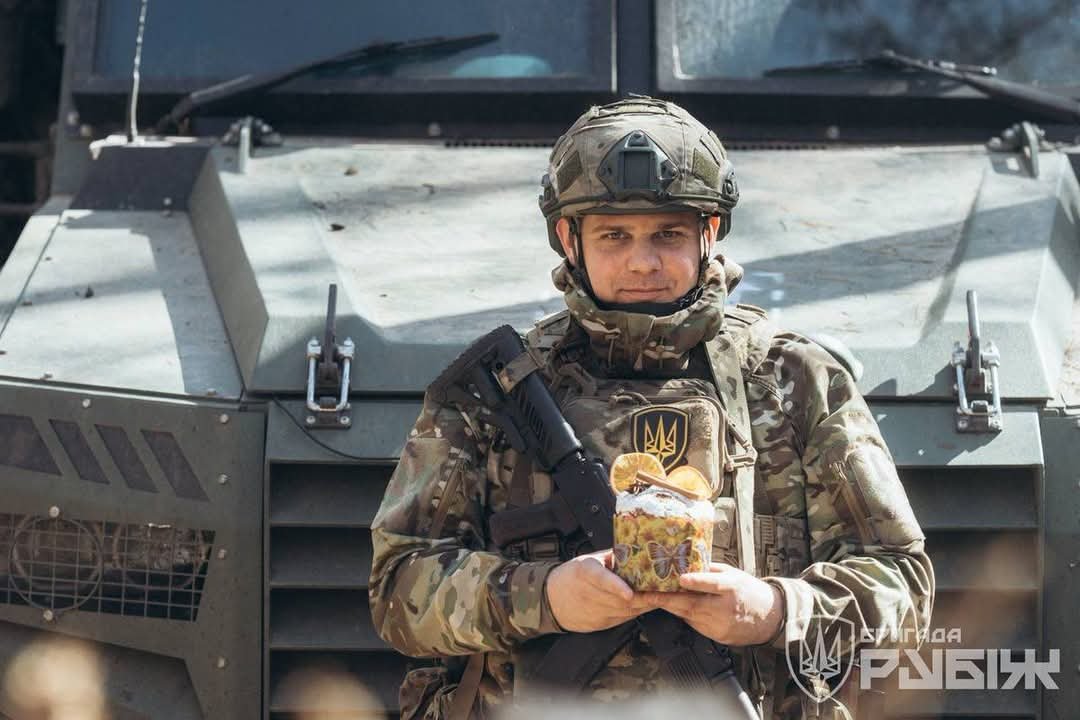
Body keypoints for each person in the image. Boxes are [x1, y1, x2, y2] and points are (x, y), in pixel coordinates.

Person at [369, 97, 934, 719]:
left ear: (708, 232)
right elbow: (398, 590)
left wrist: (774, 610)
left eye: (668, 233)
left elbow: (904, 586)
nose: (643, 261)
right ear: (569, 239)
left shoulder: (793, 379)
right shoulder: (501, 392)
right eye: (614, 235)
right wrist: (543, 597)